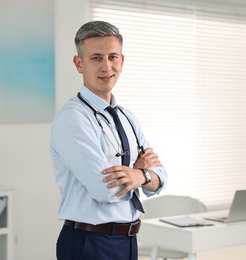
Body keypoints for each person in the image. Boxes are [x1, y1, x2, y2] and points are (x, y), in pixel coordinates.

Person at [50, 20, 168, 260]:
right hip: (89, 244)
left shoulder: (127, 117)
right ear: (78, 63)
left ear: (122, 61)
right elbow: (105, 189)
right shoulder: (72, 119)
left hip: (128, 241)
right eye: (96, 58)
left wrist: (141, 175)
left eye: (113, 57)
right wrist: (141, 174)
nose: (107, 66)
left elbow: (161, 177)